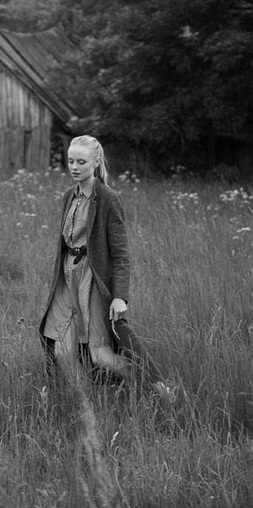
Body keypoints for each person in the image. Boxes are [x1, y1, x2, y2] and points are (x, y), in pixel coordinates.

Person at [39, 135, 174, 398]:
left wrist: (120, 296)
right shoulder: (69, 196)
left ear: (96, 161)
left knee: (100, 355)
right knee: (61, 349)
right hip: (66, 278)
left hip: (92, 278)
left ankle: (155, 389)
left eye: (81, 161)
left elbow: (121, 254)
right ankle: (85, 403)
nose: (74, 167)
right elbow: (66, 242)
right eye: (70, 161)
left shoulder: (109, 198)